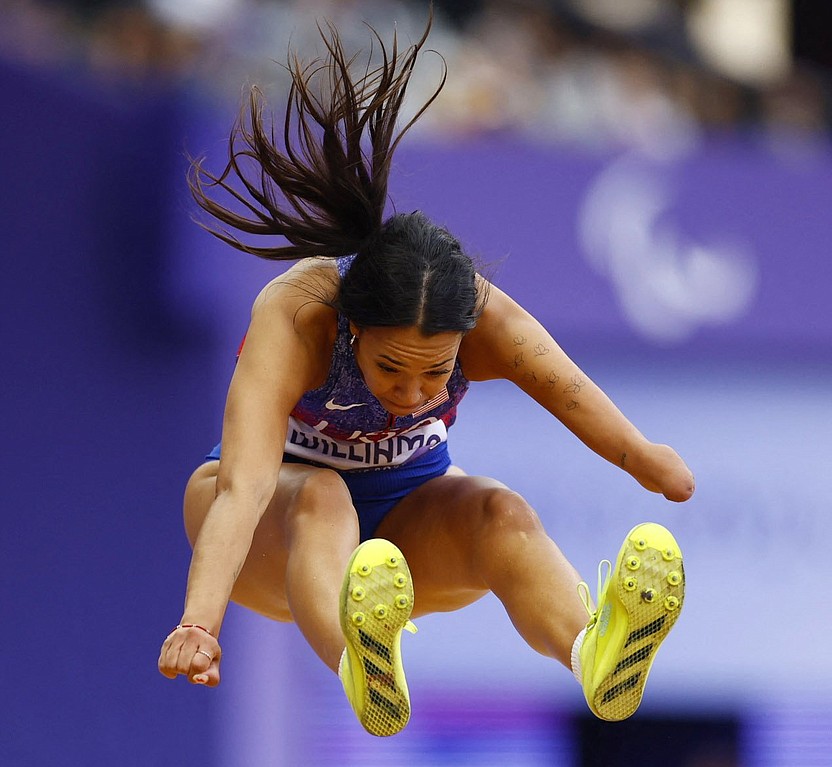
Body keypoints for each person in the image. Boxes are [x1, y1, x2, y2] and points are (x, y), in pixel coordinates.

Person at [157, 17, 694, 737]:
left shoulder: (483, 316)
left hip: (401, 539)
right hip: (266, 529)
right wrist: (200, 619)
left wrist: (643, 456)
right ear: (351, 327)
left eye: (435, 374)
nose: (412, 394)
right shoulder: (298, 314)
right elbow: (246, 486)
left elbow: (569, 392)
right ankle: (361, 664)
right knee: (321, 496)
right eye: (390, 369)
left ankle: (593, 653)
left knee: (501, 512)